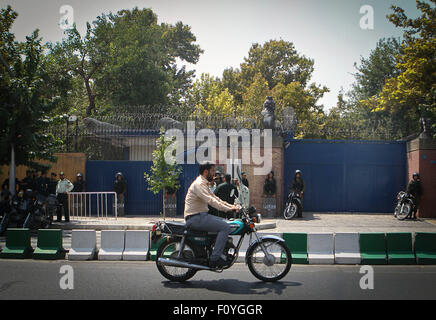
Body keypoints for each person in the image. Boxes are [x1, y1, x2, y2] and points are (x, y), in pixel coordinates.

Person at [184, 162, 239, 269]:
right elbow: (210, 201)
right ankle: (215, 259)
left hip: (200, 216)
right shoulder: (199, 184)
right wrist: (228, 209)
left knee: (225, 223)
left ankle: (214, 250)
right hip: (195, 218)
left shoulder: (204, 183)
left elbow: (215, 198)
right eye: (212, 171)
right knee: (225, 227)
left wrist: (231, 206)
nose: (214, 174)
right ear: (206, 172)